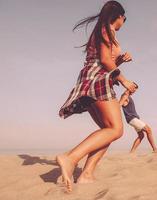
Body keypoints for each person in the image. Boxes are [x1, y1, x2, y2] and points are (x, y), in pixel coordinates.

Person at [56, 1, 137, 192]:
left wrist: (119, 60)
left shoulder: (104, 30)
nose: (123, 23)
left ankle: (86, 174)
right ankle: (70, 158)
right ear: (119, 16)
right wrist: (125, 81)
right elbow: (103, 60)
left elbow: (105, 60)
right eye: (124, 19)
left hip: (91, 78)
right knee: (116, 130)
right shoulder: (106, 29)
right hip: (98, 79)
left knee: (107, 130)